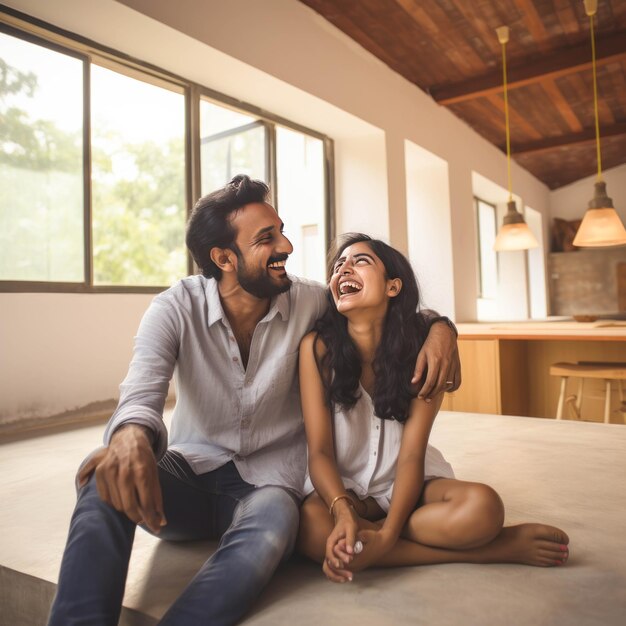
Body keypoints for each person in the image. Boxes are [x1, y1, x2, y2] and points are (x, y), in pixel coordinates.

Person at [47, 176, 461, 626]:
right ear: (224, 258)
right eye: (267, 238)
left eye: (281, 230)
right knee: (103, 467)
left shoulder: (307, 300)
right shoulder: (175, 307)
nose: (286, 245)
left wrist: (442, 329)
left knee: (277, 518)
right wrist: (129, 438)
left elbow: (379, 302)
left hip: (268, 486)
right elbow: (141, 391)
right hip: (187, 474)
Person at [297, 233, 570, 583]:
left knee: (485, 508)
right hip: (344, 492)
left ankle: (379, 541)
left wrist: (388, 534)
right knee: (309, 527)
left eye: (359, 261)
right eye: (338, 266)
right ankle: (494, 550)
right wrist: (343, 511)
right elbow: (318, 451)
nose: (343, 269)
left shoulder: (426, 353)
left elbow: (411, 456)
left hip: (410, 488)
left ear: (393, 287)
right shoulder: (317, 349)